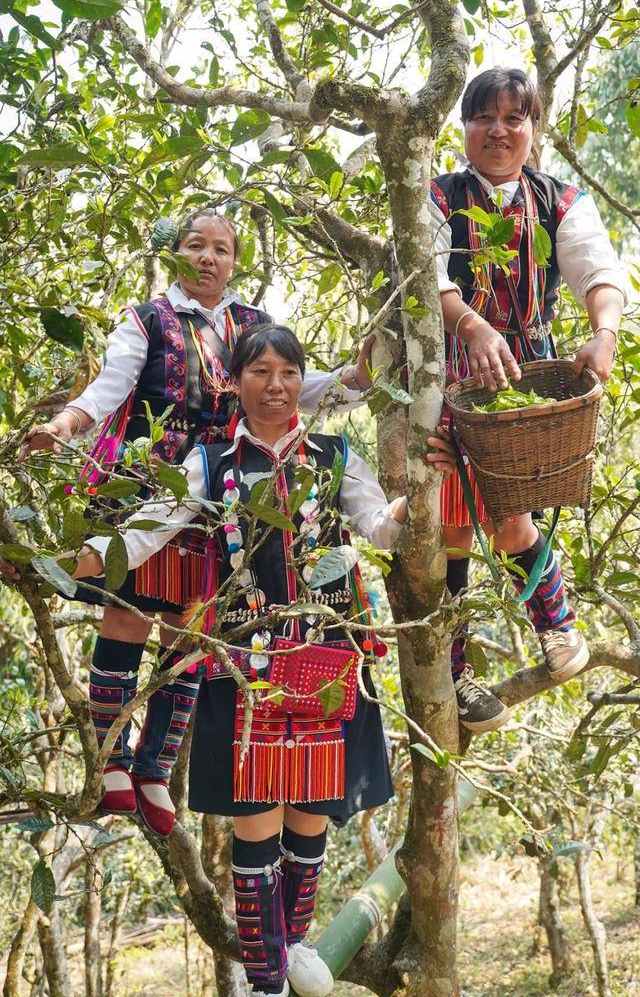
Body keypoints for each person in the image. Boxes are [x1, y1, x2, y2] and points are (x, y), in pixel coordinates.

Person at [72, 324, 455, 997]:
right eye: (260, 372)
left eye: (287, 372)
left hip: (329, 656)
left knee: (309, 817)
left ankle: (295, 941)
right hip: (241, 663)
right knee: (255, 824)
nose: (275, 385)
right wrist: (84, 556)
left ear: (300, 381)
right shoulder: (209, 462)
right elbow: (152, 527)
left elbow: (382, 528)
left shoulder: (336, 456)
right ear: (238, 383)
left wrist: (431, 494)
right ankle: (266, 974)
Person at [19, 210, 377, 836]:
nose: (209, 258)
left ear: (236, 261)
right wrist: (67, 424)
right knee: (127, 615)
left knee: (190, 632)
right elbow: (111, 386)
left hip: (224, 488)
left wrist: (358, 380)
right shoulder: (147, 319)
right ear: (173, 254)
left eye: (222, 248)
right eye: (195, 246)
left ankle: (155, 766)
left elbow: (292, 388)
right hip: (152, 483)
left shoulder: (254, 325)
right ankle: (112, 757)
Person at [430, 67, 628, 733]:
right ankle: (454, 679)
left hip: (524, 384)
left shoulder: (557, 200)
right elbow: (428, 279)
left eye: (515, 118)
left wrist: (604, 334)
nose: (499, 131)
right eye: (484, 117)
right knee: (452, 529)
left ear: (532, 129)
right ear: (464, 128)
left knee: (510, 516)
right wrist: (471, 323)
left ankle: (558, 629)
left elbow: (599, 274)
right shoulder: (437, 195)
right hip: (449, 380)